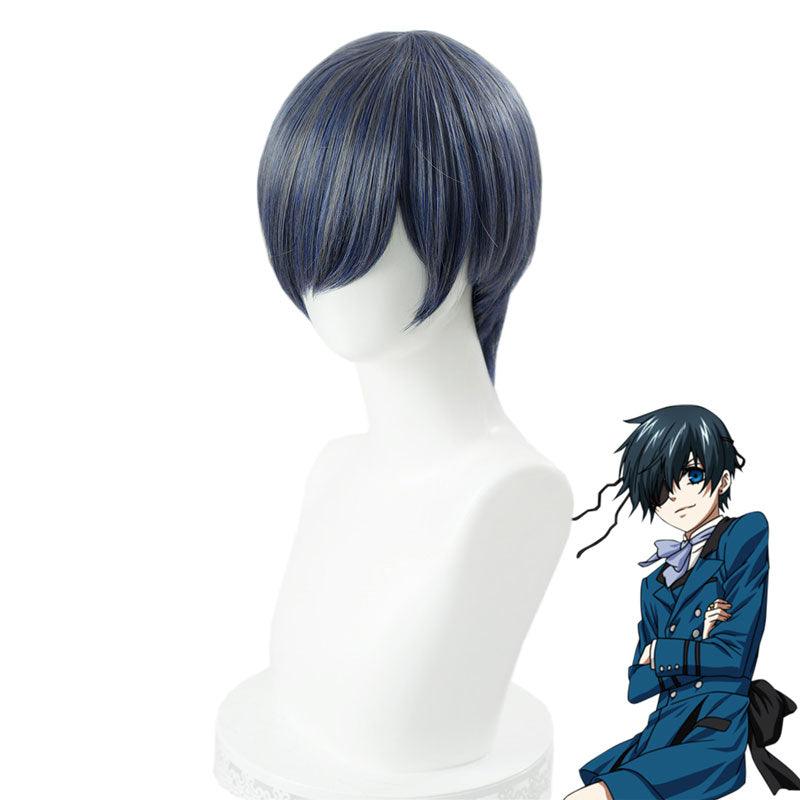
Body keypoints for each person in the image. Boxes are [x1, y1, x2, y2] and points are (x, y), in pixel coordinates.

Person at [566, 405, 799, 800]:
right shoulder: (654, 583)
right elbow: (637, 686)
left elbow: (733, 656)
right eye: (661, 486)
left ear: (722, 479)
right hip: (660, 732)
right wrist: (697, 644)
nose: (676, 495)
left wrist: (660, 652)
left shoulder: (743, 535)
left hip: (713, 730)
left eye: (692, 475)